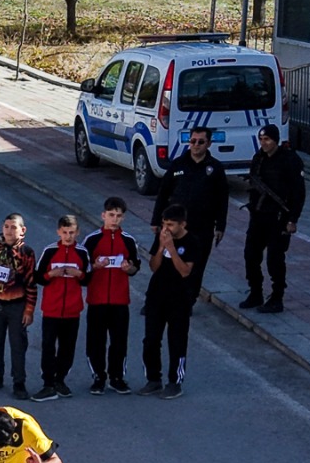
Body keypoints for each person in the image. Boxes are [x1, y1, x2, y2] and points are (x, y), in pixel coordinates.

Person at [240, 124, 306, 312]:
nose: (264, 143)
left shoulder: (290, 160)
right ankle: (255, 292)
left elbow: (298, 193)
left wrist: (292, 219)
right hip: (259, 216)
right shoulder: (259, 158)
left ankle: (277, 297)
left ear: (276, 141)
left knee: (275, 260)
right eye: (261, 139)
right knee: (251, 255)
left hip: (279, 218)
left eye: (267, 139)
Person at [153, 127, 230, 275]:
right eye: (193, 141)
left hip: (203, 227)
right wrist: (155, 220)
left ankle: (191, 297)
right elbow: (163, 193)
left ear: (208, 143)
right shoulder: (178, 164)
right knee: (172, 267)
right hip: (177, 226)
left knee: (196, 268)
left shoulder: (215, 168)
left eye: (201, 142)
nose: (196, 145)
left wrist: (221, 226)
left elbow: (222, 199)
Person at [84, 199, 140, 393]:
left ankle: (117, 377)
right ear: (103, 215)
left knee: (119, 341)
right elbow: (82, 269)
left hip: (120, 300)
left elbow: (135, 267)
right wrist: (95, 266)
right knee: (96, 341)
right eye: (111, 215)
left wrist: (128, 267)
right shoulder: (91, 240)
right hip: (97, 300)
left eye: (118, 216)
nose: (114, 219)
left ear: (123, 217)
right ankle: (98, 377)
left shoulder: (128, 240)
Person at [142, 209, 198, 396]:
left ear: (182, 224)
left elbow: (184, 271)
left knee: (177, 342)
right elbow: (153, 266)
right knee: (150, 340)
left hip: (179, 299)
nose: (166, 228)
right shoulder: (161, 237)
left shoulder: (192, 242)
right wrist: (160, 248)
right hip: (157, 296)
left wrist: (172, 249)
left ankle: (175, 382)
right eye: (164, 224)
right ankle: (153, 379)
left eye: (171, 225)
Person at [0, 214, 36, 396]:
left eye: (13, 227)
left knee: (18, 344)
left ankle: (19, 382)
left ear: (22, 230)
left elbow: (31, 283)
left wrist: (29, 309)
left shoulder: (27, 253)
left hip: (17, 306)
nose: (9, 231)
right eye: (6, 226)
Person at [33, 214, 87, 397]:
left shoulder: (82, 252)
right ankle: (48, 383)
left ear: (77, 232)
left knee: (67, 348)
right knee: (48, 347)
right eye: (65, 232)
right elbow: (38, 277)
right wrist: (51, 274)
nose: (68, 236)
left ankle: (61, 380)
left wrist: (78, 274)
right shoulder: (49, 251)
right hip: (51, 309)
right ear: (58, 232)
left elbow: (88, 279)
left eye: (72, 232)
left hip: (72, 311)